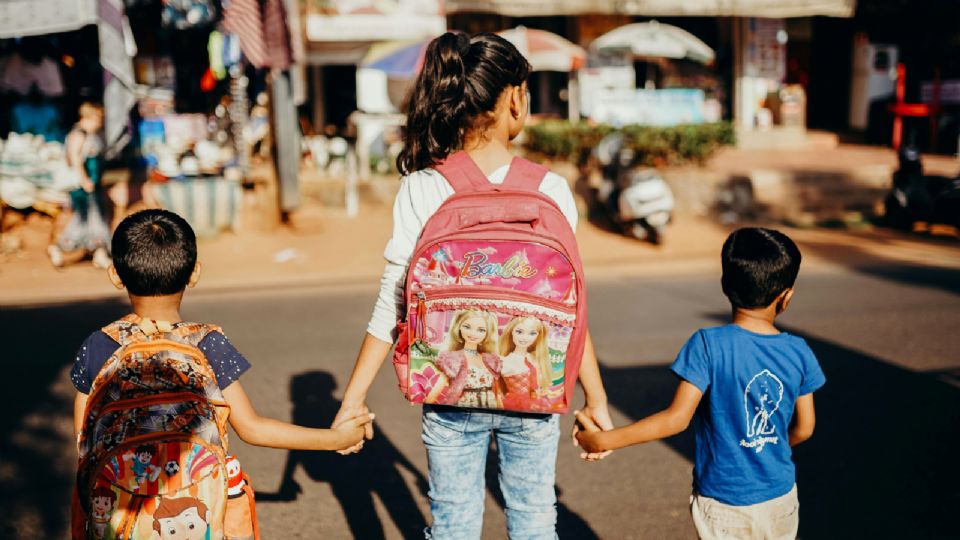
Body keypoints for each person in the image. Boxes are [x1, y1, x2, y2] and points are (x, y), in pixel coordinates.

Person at [332, 31, 613, 539]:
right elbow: (570, 312)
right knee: (533, 520)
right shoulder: (551, 188)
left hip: (447, 389)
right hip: (533, 392)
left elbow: (392, 300)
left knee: (453, 523)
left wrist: (352, 399)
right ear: (515, 99)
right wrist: (595, 400)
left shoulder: (423, 185)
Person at [71, 210, 373, 534]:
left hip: (119, 513)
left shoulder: (100, 346)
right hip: (195, 511)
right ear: (195, 274)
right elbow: (252, 429)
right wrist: (337, 438)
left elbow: (85, 442)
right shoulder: (206, 342)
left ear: (116, 274)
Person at [575, 227, 826, 540]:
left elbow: (676, 419)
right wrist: (767, 450)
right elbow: (805, 428)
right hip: (780, 497)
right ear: (786, 297)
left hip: (723, 501)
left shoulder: (708, 345)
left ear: (725, 285)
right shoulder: (799, 351)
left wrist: (604, 440)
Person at [48, 102, 111, 269]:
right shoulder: (78, 134)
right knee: (84, 218)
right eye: (98, 117)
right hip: (82, 185)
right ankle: (59, 247)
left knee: (94, 217)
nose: (100, 122)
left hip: (92, 183)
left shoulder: (92, 135)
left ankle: (99, 252)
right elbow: (75, 159)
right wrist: (85, 180)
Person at [435, 310, 503, 408]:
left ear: (487, 333)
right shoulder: (453, 359)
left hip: (490, 409)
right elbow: (438, 388)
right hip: (463, 410)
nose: (473, 333)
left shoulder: (490, 360)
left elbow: (497, 393)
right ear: (458, 328)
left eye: (481, 330)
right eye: (467, 327)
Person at [499, 316, 552, 411]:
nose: (524, 338)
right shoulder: (505, 361)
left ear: (538, 336)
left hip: (538, 407)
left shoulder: (534, 358)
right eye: (519, 332)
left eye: (532, 333)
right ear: (511, 332)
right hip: (514, 406)